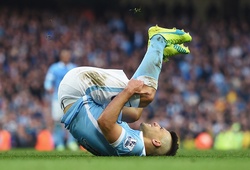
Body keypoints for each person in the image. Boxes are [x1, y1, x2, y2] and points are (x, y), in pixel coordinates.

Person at [58, 25, 192, 156]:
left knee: (147, 94)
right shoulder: (136, 147)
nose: (157, 124)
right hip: (75, 99)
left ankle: (158, 39)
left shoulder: (134, 146)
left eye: (160, 128)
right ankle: (158, 54)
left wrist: (127, 91)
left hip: (77, 89)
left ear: (156, 142)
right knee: (135, 112)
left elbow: (105, 122)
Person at [44, 49, 78, 151]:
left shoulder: (73, 68)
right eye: (65, 55)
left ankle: (71, 142)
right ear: (61, 57)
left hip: (71, 98)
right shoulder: (54, 68)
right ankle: (59, 143)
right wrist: (49, 87)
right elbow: (48, 81)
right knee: (57, 121)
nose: (67, 57)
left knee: (72, 119)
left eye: (68, 55)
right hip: (57, 98)